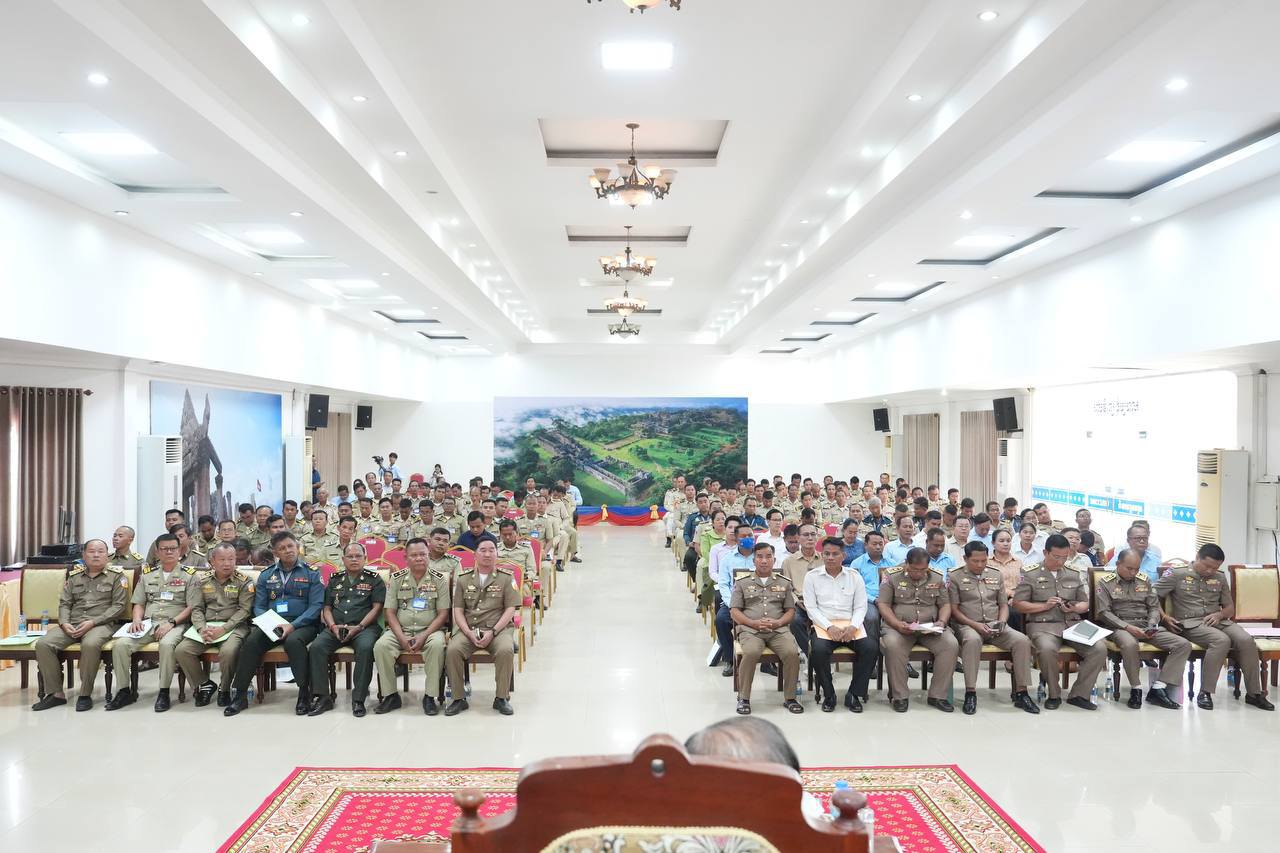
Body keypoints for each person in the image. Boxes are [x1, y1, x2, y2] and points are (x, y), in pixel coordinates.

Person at [1154, 543, 1273, 711]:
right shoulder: (1177, 573)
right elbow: (1151, 596)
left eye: (1215, 567)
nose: (1210, 571)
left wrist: (1219, 615)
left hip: (1218, 620)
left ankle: (1254, 693)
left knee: (1246, 640)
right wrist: (1164, 617)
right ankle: (1205, 692)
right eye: (1207, 566)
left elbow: (1229, 608)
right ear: (1197, 557)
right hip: (1190, 623)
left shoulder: (1220, 577)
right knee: (1221, 640)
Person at [223, 532, 324, 716]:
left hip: (302, 624)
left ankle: (304, 693)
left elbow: (316, 606)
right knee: (251, 642)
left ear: (297, 547)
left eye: (290, 546)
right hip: (273, 624)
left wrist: (292, 626)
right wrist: (270, 624)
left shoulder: (311, 573)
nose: (288, 551)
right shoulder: (266, 575)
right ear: (276, 553)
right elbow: (259, 606)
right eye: (282, 548)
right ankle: (240, 695)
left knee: (294, 642)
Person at [1012, 534, 1107, 710]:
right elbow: (1018, 604)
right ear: (1045, 553)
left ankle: (1079, 694)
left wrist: (1074, 608)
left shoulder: (1073, 573)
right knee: (1047, 649)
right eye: (1056, 557)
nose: (1060, 561)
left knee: (1099, 648)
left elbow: (1085, 603)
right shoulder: (1030, 573)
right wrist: (1044, 606)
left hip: (1072, 623)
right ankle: (1054, 694)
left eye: (1064, 557)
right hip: (1043, 625)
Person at [31, 540, 127, 712]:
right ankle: (56, 693)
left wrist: (93, 622)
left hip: (101, 624)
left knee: (90, 644)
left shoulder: (117, 576)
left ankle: (85, 694)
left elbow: (118, 607)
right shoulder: (74, 577)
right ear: (83, 555)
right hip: (73, 624)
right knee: (44, 644)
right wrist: (64, 623)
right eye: (91, 551)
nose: (96, 555)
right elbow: (65, 603)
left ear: (107, 555)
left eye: (100, 551)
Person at [105, 532, 197, 712]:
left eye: (173, 548)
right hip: (149, 623)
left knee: (167, 645)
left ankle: (163, 692)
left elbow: (192, 606)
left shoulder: (189, 575)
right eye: (164, 549)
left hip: (176, 624)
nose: (169, 552)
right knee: (121, 645)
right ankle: (124, 691)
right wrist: (136, 620)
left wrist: (171, 623)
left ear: (179, 551)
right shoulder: (147, 575)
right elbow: (139, 603)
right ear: (157, 552)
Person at [948, 542, 1039, 715]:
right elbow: (954, 610)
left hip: (995, 625)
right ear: (965, 558)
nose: (980, 565)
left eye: (983, 560)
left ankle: (1021, 692)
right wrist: (975, 625)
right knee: (972, 640)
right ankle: (970, 692)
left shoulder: (995, 574)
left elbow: (1003, 605)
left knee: (1022, 641)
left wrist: (1002, 622)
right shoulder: (955, 576)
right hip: (968, 625)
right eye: (975, 561)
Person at [1094, 549, 1189, 710]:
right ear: (1118, 564)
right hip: (1120, 627)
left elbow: (1153, 607)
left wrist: (1152, 623)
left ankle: (1158, 688)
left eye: (1136, 569)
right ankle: (1136, 688)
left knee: (1182, 644)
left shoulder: (1144, 580)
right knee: (1130, 644)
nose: (1133, 573)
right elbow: (1104, 613)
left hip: (1146, 626)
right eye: (1129, 568)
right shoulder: (1105, 583)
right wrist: (1128, 627)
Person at [374, 535, 452, 715]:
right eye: (414, 555)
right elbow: (390, 612)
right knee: (381, 646)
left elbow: (443, 614)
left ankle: (430, 696)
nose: (419, 558)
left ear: (428, 555)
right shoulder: (396, 578)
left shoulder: (439, 579)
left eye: (423, 554)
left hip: (430, 631)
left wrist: (424, 636)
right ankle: (391, 695)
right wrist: (401, 637)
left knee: (437, 646)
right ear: (406, 558)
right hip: (401, 630)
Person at [307, 542, 385, 717]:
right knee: (317, 647)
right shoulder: (335, 579)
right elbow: (327, 608)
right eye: (350, 556)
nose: (354, 559)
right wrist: (333, 626)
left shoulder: (374, 579)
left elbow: (377, 608)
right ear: (343, 559)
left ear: (365, 558)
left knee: (365, 648)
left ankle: (358, 699)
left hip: (364, 628)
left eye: (358, 556)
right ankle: (323, 697)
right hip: (336, 627)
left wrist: (359, 627)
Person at [175, 542, 256, 708]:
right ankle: (204, 684)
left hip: (234, 626)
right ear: (212, 561)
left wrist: (223, 629)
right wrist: (201, 629)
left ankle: (224, 688)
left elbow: (244, 610)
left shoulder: (244, 581)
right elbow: (196, 608)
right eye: (222, 559)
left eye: (231, 559)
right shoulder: (201, 580)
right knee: (182, 650)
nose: (227, 563)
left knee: (228, 651)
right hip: (207, 626)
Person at [877, 548, 959, 712]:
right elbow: (883, 604)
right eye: (914, 570)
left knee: (951, 644)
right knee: (893, 646)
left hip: (930, 627)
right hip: (899, 627)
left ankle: (938, 695)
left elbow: (945, 604)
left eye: (923, 570)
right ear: (906, 564)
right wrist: (897, 624)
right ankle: (900, 696)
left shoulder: (937, 576)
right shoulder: (891, 575)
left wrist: (942, 622)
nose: (919, 574)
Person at [445, 538, 520, 716]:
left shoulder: (507, 578)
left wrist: (493, 632)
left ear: (497, 553)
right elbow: (458, 610)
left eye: (491, 550)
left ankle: (501, 697)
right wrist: (467, 632)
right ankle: (458, 698)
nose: (487, 554)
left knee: (505, 650)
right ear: (475, 554)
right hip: (470, 629)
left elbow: (510, 609)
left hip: (498, 629)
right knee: (453, 650)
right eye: (483, 550)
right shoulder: (463, 579)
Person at [805, 537, 878, 713]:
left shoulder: (854, 576)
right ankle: (829, 694)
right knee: (818, 651)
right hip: (824, 626)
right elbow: (811, 608)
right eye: (827, 554)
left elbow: (861, 606)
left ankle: (854, 694)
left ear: (843, 556)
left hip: (851, 626)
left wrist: (853, 626)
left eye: (835, 554)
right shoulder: (812, 577)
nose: (830, 557)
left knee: (871, 648)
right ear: (822, 555)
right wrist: (829, 627)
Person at [730, 543, 804, 716]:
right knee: (751, 652)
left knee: (792, 653)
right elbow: (734, 611)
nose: (764, 561)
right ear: (754, 560)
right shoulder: (742, 582)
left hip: (778, 630)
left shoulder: (784, 582)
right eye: (760, 557)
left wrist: (778, 623)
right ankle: (744, 698)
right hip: (750, 630)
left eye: (768, 557)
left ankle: (790, 698)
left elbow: (790, 611)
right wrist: (752, 623)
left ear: (774, 559)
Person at [779, 523, 822, 656]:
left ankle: (820, 652)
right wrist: (796, 601)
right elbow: (786, 588)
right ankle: (812, 656)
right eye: (805, 535)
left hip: (823, 602)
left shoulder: (825, 559)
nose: (810, 538)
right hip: (800, 602)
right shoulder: (789, 562)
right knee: (795, 620)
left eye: (813, 534)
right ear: (798, 538)